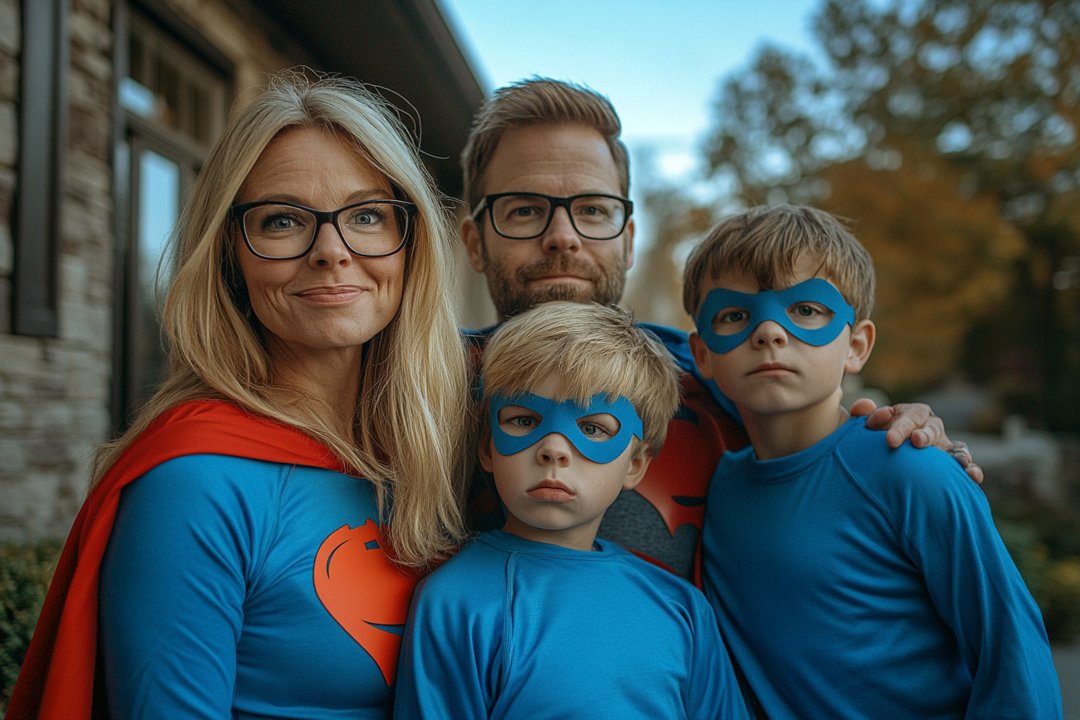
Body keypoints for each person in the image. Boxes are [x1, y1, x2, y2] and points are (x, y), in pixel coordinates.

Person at [6, 70, 471, 719]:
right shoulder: (195, 484)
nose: (331, 251)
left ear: (409, 242)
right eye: (282, 220)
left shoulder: (446, 451)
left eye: (367, 215)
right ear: (230, 255)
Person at [458, 76, 981, 583]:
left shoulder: (715, 376)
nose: (562, 237)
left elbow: (825, 441)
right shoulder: (425, 391)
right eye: (524, 211)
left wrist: (906, 444)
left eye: (593, 210)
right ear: (475, 242)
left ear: (628, 240)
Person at [684, 204, 1062, 718]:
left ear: (856, 345)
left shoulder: (912, 471)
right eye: (734, 314)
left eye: (806, 310)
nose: (769, 332)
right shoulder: (716, 487)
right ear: (702, 354)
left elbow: (1012, 650)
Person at [394, 301, 750, 720]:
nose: (553, 449)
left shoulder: (682, 608)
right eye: (525, 420)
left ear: (635, 464)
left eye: (593, 428)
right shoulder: (456, 602)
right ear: (487, 446)